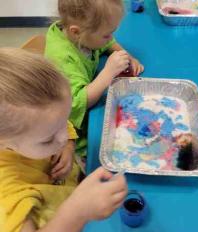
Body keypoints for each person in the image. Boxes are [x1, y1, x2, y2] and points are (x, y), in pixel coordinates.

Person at [0, 48, 127, 232]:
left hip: (73, 189)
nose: (62, 138)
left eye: (64, 122)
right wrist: (78, 212)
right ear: (4, 143)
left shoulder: (40, 126)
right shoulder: (5, 192)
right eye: (48, 139)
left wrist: (68, 145)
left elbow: (57, 126)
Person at [45, 0, 144, 152]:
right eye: (106, 35)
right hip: (69, 132)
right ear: (76, 32)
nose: (111, 38)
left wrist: (127, 55)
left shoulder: (83, 34)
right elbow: (75, 104)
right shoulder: (62, 59)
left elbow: (106, 43)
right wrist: (108, 73)